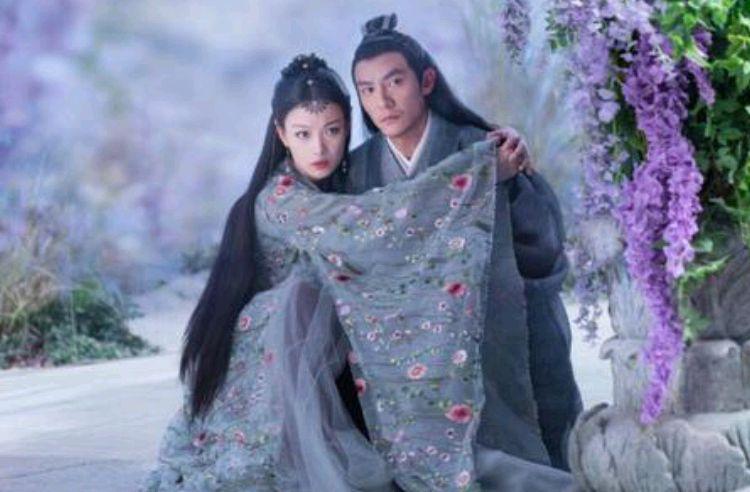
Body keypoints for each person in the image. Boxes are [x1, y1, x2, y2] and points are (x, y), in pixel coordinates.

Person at [142, 54, 397, 492]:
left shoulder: (339, 184)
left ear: (348, 126)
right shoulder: (282, 198)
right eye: (303, 134)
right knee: (301, 295)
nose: (319, 149)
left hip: (312, 358)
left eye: (332, 130)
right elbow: (374, 223)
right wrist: (474, 173)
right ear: (281, 133)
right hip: (273, 356)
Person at [341, 13, 583, 472]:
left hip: (485, 318)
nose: (382, 101)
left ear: (426, 81)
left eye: (395, 82)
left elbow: (540, 243)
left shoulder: (483, 148)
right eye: (367, 89)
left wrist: (497, 185)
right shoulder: (358, 170)